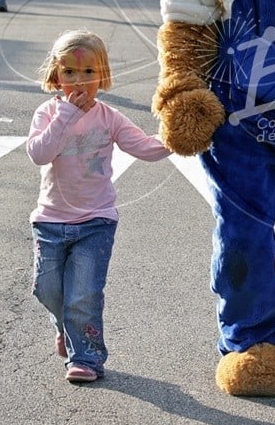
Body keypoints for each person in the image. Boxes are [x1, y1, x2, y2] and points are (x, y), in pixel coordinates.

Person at [26, 29, 171, 383]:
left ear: (102, 75)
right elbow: (39, 153)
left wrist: (179, 134)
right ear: (56, 76)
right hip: (50, 220)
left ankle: (87, 358)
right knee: (47, 289)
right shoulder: (47, 112)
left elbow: (146, 148)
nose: (79, 81)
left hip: (96, 221)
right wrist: (66, 117)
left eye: (89, 72)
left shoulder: (110, 117)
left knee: (83, 294)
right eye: (70, 72)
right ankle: (66, 328)